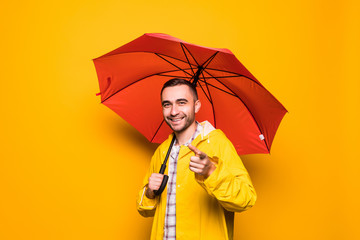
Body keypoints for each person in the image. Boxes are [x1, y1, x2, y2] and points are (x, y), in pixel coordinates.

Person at [136, 78, 256, 240]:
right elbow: (145, 209)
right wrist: (150, 192)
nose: (173, 111)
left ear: (197, 105)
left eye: (182, 102)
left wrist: (212, 172)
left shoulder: (217, 143)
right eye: (167, 104)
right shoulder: (162, 151)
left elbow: (246, 199)